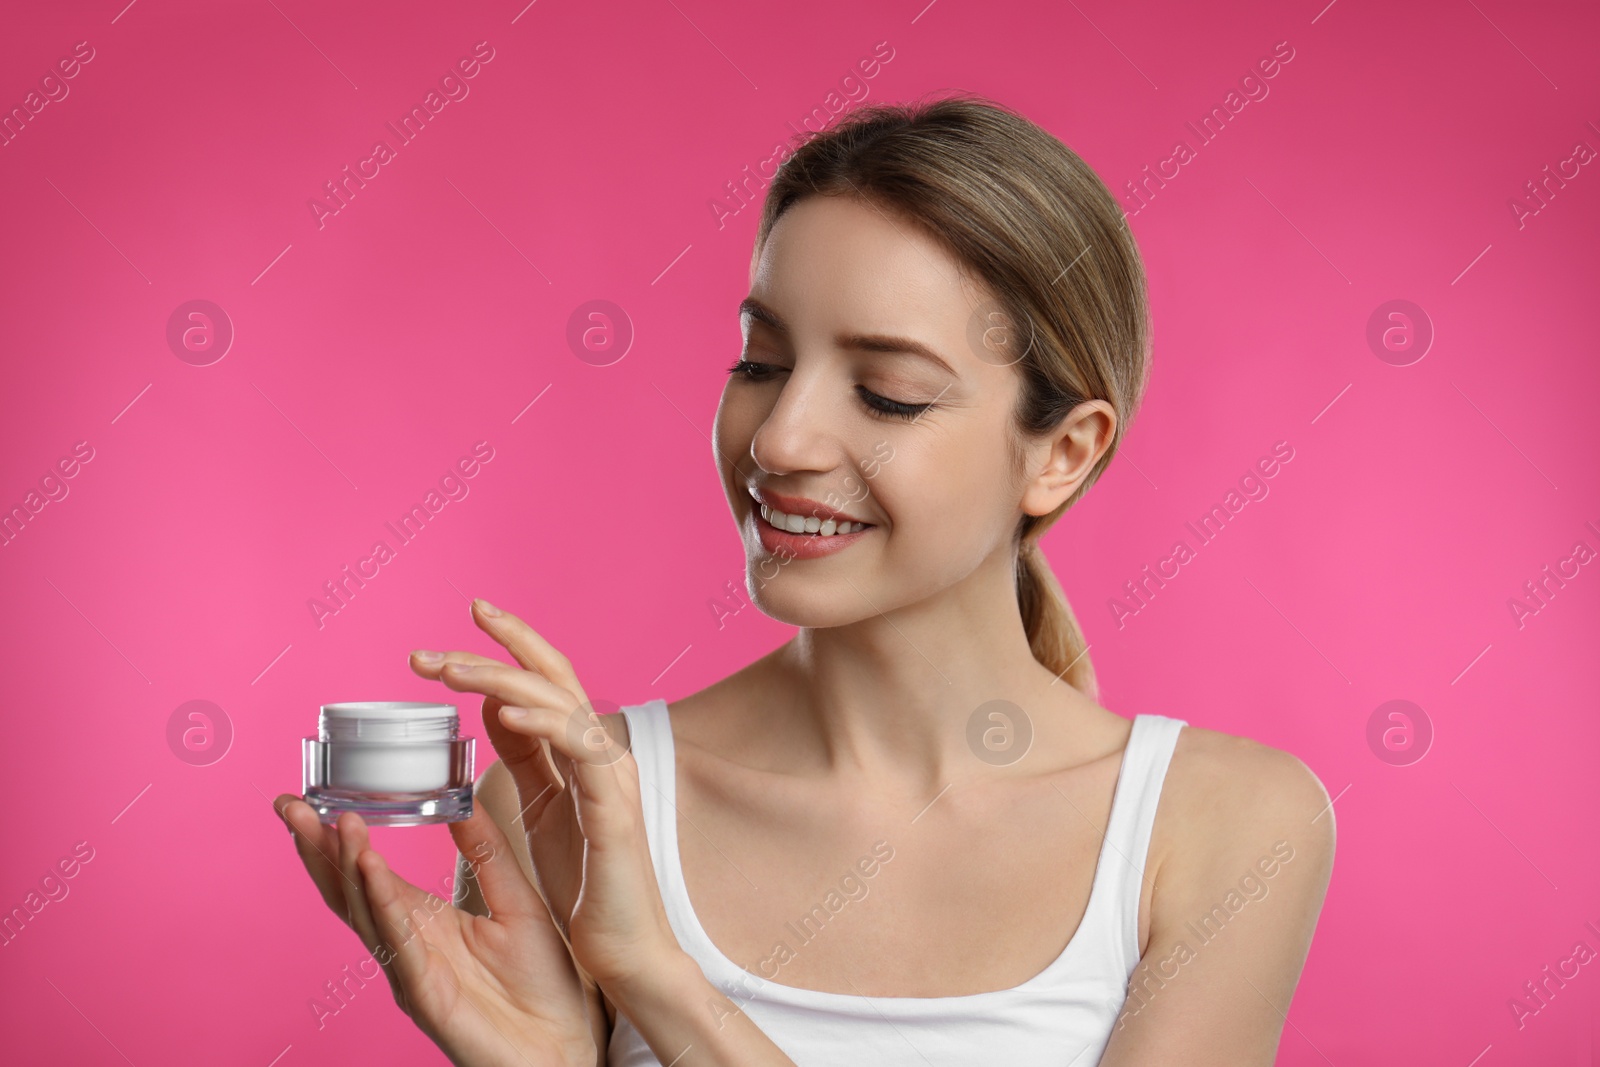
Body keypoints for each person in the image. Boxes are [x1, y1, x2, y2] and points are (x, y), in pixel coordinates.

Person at [274, 93, 1335, 1066]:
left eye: (887, 395)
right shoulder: (566, 811)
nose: (779, 437)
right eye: (762, 363)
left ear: (1060, 452)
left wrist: (660, 985)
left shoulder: (1222, 827)